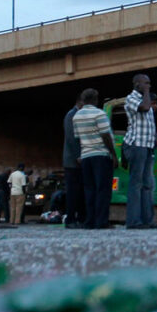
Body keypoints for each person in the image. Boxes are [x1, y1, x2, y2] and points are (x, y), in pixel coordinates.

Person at [73, 88, 119, 229]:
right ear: (95, 99)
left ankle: (90, 221)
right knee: (103, 189)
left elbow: (77, 138)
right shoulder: (100, 114)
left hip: (86, 156)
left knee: (89, 189)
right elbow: (105, 135)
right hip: (101, 155)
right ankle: (101, 221)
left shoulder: (76, 116)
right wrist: (114, 155)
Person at [123, 74, 157, 230]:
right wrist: (146, 92)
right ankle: (133, 221)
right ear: (136, 84)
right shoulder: (131, 99)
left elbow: (150, 128)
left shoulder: (146, 102)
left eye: (149, 83)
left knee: (147, 185)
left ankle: (148, 220)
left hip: (147, 146)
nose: (149, 86)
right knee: (136, 183)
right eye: (145, 83)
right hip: (136, 145)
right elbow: (145, 107)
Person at [62, 93, 87, 229]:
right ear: (80, 102)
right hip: (72, 162)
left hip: (78, 160)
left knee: (80, 191)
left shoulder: (77, 115)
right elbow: (71, 138)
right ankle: (70, 219)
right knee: (72, 191)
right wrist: (78, 155)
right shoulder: (71, 115)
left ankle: (81, 218)